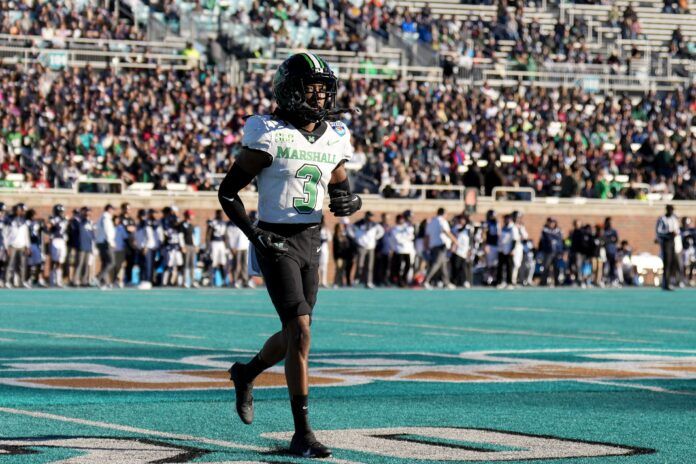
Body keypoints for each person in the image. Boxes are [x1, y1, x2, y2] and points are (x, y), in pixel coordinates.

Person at [217, 52, 362, 458]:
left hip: (311, 240)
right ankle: (302, 433)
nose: (318, 98)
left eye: (322, 90)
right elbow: (227, 193)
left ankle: (245, 373)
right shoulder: (268, 133)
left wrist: (352, 201)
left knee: (296, 334)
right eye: (310, 90)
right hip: (275, 239)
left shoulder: (334, 135)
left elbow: (340, 190)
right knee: (300, 330)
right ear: (288, 91)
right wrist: (254, 235)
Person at [349, 211, 384, 288]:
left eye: (371, 216)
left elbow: (381, 231)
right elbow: (350, 229)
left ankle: (368, 282)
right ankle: (356, 279)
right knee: (360, 265)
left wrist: (376, 237)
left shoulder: (375, 225)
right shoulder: (358, 223)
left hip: (371, 247)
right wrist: (355, 238)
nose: (370, 217)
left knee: (369, 266)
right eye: (369, 216)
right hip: (361, 246)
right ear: (366, 216)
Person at [424, 207, 456, 289]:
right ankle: (426, 280)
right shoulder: (442, 221)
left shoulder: (431, 222)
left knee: (443, 265)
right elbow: (446, 231)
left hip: (433, 245)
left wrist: (426, 246)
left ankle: (446, 282)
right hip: (441, 245)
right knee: (436, 264)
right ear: (443, 214)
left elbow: (427, 235)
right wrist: (455, 240)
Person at [5, 203, 30, 288]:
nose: (23, 212)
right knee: (10, 264)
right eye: (22, 210)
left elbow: (26, 234)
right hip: (12, 245)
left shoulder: (24, 220)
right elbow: (6, 234)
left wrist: (27, 246)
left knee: (22, 265)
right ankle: (7, 281)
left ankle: (22, 281)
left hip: (22, 245)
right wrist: (7, 246)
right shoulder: (10, 220)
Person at [656, 204, 681, 290]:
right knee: (667, 262)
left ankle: (671, 281)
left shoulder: (674, 219)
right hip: (666, 242)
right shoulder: (662, 219)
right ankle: (665, 283)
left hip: (672, 241)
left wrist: (675, 233)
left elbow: (677, 230)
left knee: (673, 262)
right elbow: (659, 231)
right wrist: (668, 232)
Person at [390, 213, 415, 287]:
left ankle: (404, 279)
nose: (402, 221)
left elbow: (411, 236)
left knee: (408, 266)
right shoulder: (395, 229)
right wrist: (406, 237)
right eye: (400, 219)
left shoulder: (407, 227)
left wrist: (406, 237)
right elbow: (398, 239)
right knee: (399, 267)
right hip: (399, 250)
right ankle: (399, 280)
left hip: (407, 250)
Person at [95, 204, 116, 289]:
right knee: (111, 262)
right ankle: (98, 277)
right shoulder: (106, 218)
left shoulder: (101, 218)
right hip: (106, 242)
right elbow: (108, 231)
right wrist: (111, 242)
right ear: (109, 209)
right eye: (112, 209)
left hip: (100, 242)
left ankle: (103, 282)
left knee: (104, 263)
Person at [207, 210, 228, 287]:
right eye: (220, 214)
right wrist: (208, 246)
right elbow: (208, 235)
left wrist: (226, 247)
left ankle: (224, 281)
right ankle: (211, 280)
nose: (221, 215)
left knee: (222, 263)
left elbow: (225, 236)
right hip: (214, 243)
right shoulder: (213, 222)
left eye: (222, 214)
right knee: (213, 262)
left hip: (221, 244)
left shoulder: (223, 223)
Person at [49, 204, 69, 287]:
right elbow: (49, 226)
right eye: (61, 211)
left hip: (62, 240)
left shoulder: (64, 219)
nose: (62, 213)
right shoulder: (53, 219)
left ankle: (58, 280)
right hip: (55, 240)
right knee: (54, 260)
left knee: (60, 261)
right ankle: (52, 280)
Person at [180, 210, 198, 288]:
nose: (193, 217)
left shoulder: (191, 225)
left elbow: (193, 236)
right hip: (186, 246)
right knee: (186, 264)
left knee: (192, 264)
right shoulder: (183, 225)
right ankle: (184, 281)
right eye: (191, 215)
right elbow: (180, 236)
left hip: (192, 246)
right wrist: (182, 246)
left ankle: (192, 281)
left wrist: (196, 245)